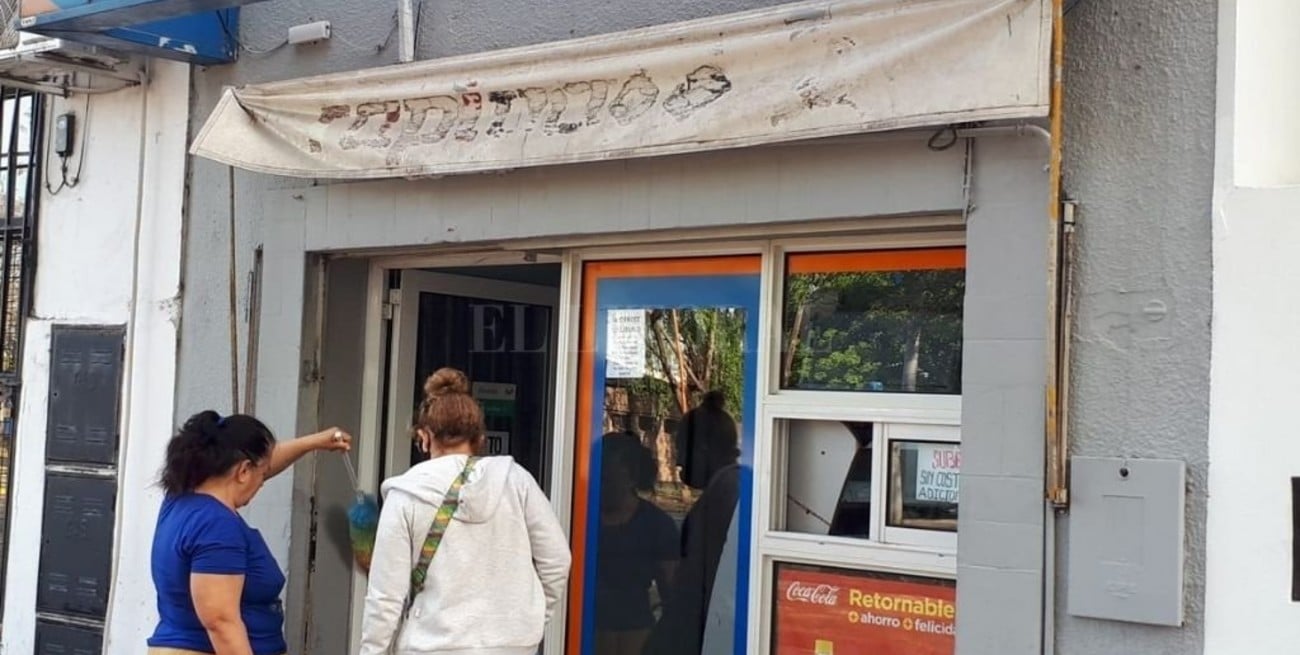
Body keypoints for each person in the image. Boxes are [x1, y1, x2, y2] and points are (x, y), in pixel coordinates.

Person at [360, 367, 571, 655]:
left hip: (432, 646)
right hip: (512, 646)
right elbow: (557, 560)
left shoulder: (405, 495)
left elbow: (385, 597)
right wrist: (528, 620)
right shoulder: (516, 480)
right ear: (480, 438)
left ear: (424, 437)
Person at [148, 411, 353, 655]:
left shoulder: (179, 499)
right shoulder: (216, 525)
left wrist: (315, 442)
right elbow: (221, 622)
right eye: (263, 475)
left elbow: (260, 462)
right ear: (243, 470)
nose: (263, 482)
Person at [642, 390, 742, 655]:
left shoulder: (724, 494)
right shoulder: (730, 486)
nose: (677, 462)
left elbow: (696, 589)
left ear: (702, 449)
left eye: (680, 449)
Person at [593, 432, 679, 655]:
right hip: (584, 632)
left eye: (607, 478)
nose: (599, 485)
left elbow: (672, 594)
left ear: (630, 478)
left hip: (638, 638)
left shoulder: (657, 524)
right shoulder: (579, 520)